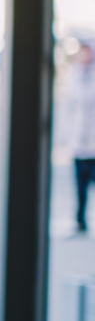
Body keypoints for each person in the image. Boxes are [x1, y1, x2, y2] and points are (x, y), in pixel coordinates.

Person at [60, 41, 95, 233]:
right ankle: (80, 220)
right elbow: (68, 109)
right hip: (78, 141)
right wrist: (64, 136)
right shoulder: (72, 78)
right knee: (80, 184)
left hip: (92, 140)